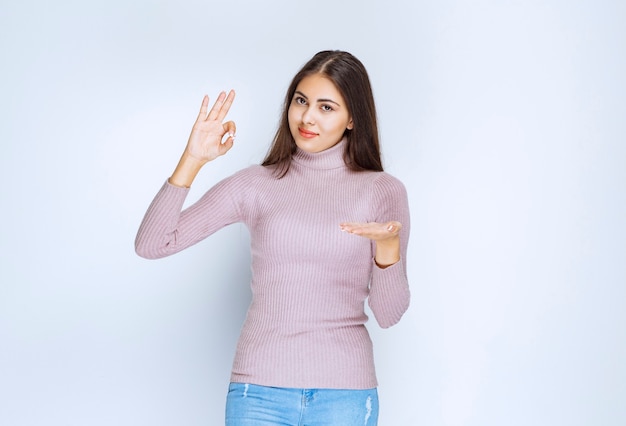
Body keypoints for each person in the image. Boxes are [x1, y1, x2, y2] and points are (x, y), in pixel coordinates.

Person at [135, 50, 410, 426]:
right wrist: (193, 159)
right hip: (258, 392)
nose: (307, 117)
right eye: (301, 101)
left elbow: (389, 313)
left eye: (326, 107)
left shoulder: (381, 190)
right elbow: (153, 244)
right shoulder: (257, 184)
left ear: (352, 119)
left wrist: (387, 249)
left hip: (345, 393)